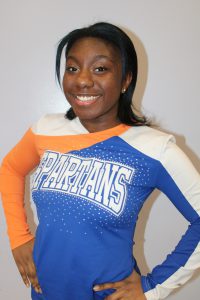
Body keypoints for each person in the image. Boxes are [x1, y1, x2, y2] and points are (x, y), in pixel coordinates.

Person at [0, 22, 199, 300]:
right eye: (72, 68)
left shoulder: (154, 149)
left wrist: (152, 287)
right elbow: (10, 169)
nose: (82, 80)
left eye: (100, 68)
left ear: (126, 80)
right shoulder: (45, 129)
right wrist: (19, 237)